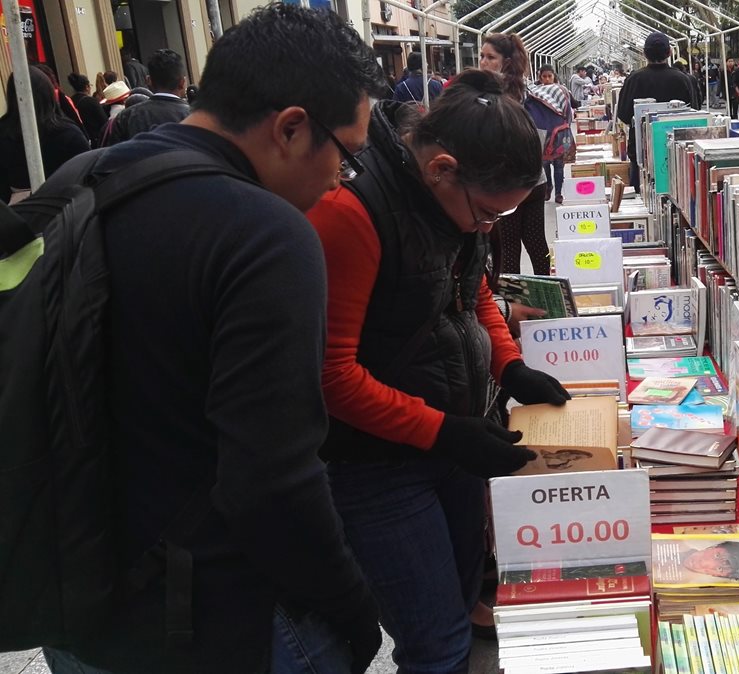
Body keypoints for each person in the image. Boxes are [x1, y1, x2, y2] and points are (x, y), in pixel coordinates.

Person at [37, 5, 387, 673]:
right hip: (217, 621)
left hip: (79, 606)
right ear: (290, 128)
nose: (341, 181)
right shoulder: (266, 236)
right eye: (346, 156)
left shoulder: (78, 181)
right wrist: (351, 605)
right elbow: (274, 477)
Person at [305, 69, 569, 674]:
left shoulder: (450, 210)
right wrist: (443, 431)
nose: (486, 227)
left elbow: (469, 293)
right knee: (436, 643)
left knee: (456, 602)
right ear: (441, 168)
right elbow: (331, 373)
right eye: (485, 213)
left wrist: (511, 366)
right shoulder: (352, 213)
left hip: (448, 442)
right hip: (374, 468)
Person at [479, 32, 553, 274]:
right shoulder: (527, 90)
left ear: (506, 61)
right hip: (534, 178)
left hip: (506, 183)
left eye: (490, 57)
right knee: (536, 243)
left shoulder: (491, 96)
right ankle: (548, 299)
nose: (483, 62)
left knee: (509, 248)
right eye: (482, 56)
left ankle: (513, 304)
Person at [616, 32, 697, 194]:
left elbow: (623, 114)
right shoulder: (683, 79)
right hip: (677, 152)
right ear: (669, 53)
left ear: (645, 54)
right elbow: (694, 113)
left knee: (641, 194)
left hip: (641, 151)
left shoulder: (634, 79)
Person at [0, 69, 90, 203]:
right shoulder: (67, 132)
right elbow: (89, 175)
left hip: (19, 211)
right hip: (69, 208)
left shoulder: (4, 132)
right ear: (48, 93)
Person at [104, 49, 191, 146]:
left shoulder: (126, 117)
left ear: (148, 80)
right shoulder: (196, 117)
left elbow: (113, 156)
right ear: (182, 83)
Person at [538, 64, 573, 203]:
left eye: (549, 76)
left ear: (554, 76)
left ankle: (558, 192)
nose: (547, 79)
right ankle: (548, 187)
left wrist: (567, 128)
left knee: (559, 165)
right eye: (544, 76)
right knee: (545, 164)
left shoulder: (562, 91)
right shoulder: (537, 93)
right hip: (544, 134)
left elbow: (568, 110)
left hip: (559, 133)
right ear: (540, 78)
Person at [67, 72, 109, 146]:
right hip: (95, 140)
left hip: (80, 140)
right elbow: (104, 121)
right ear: (87, 87)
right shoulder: (91, 101)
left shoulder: (70, 102)